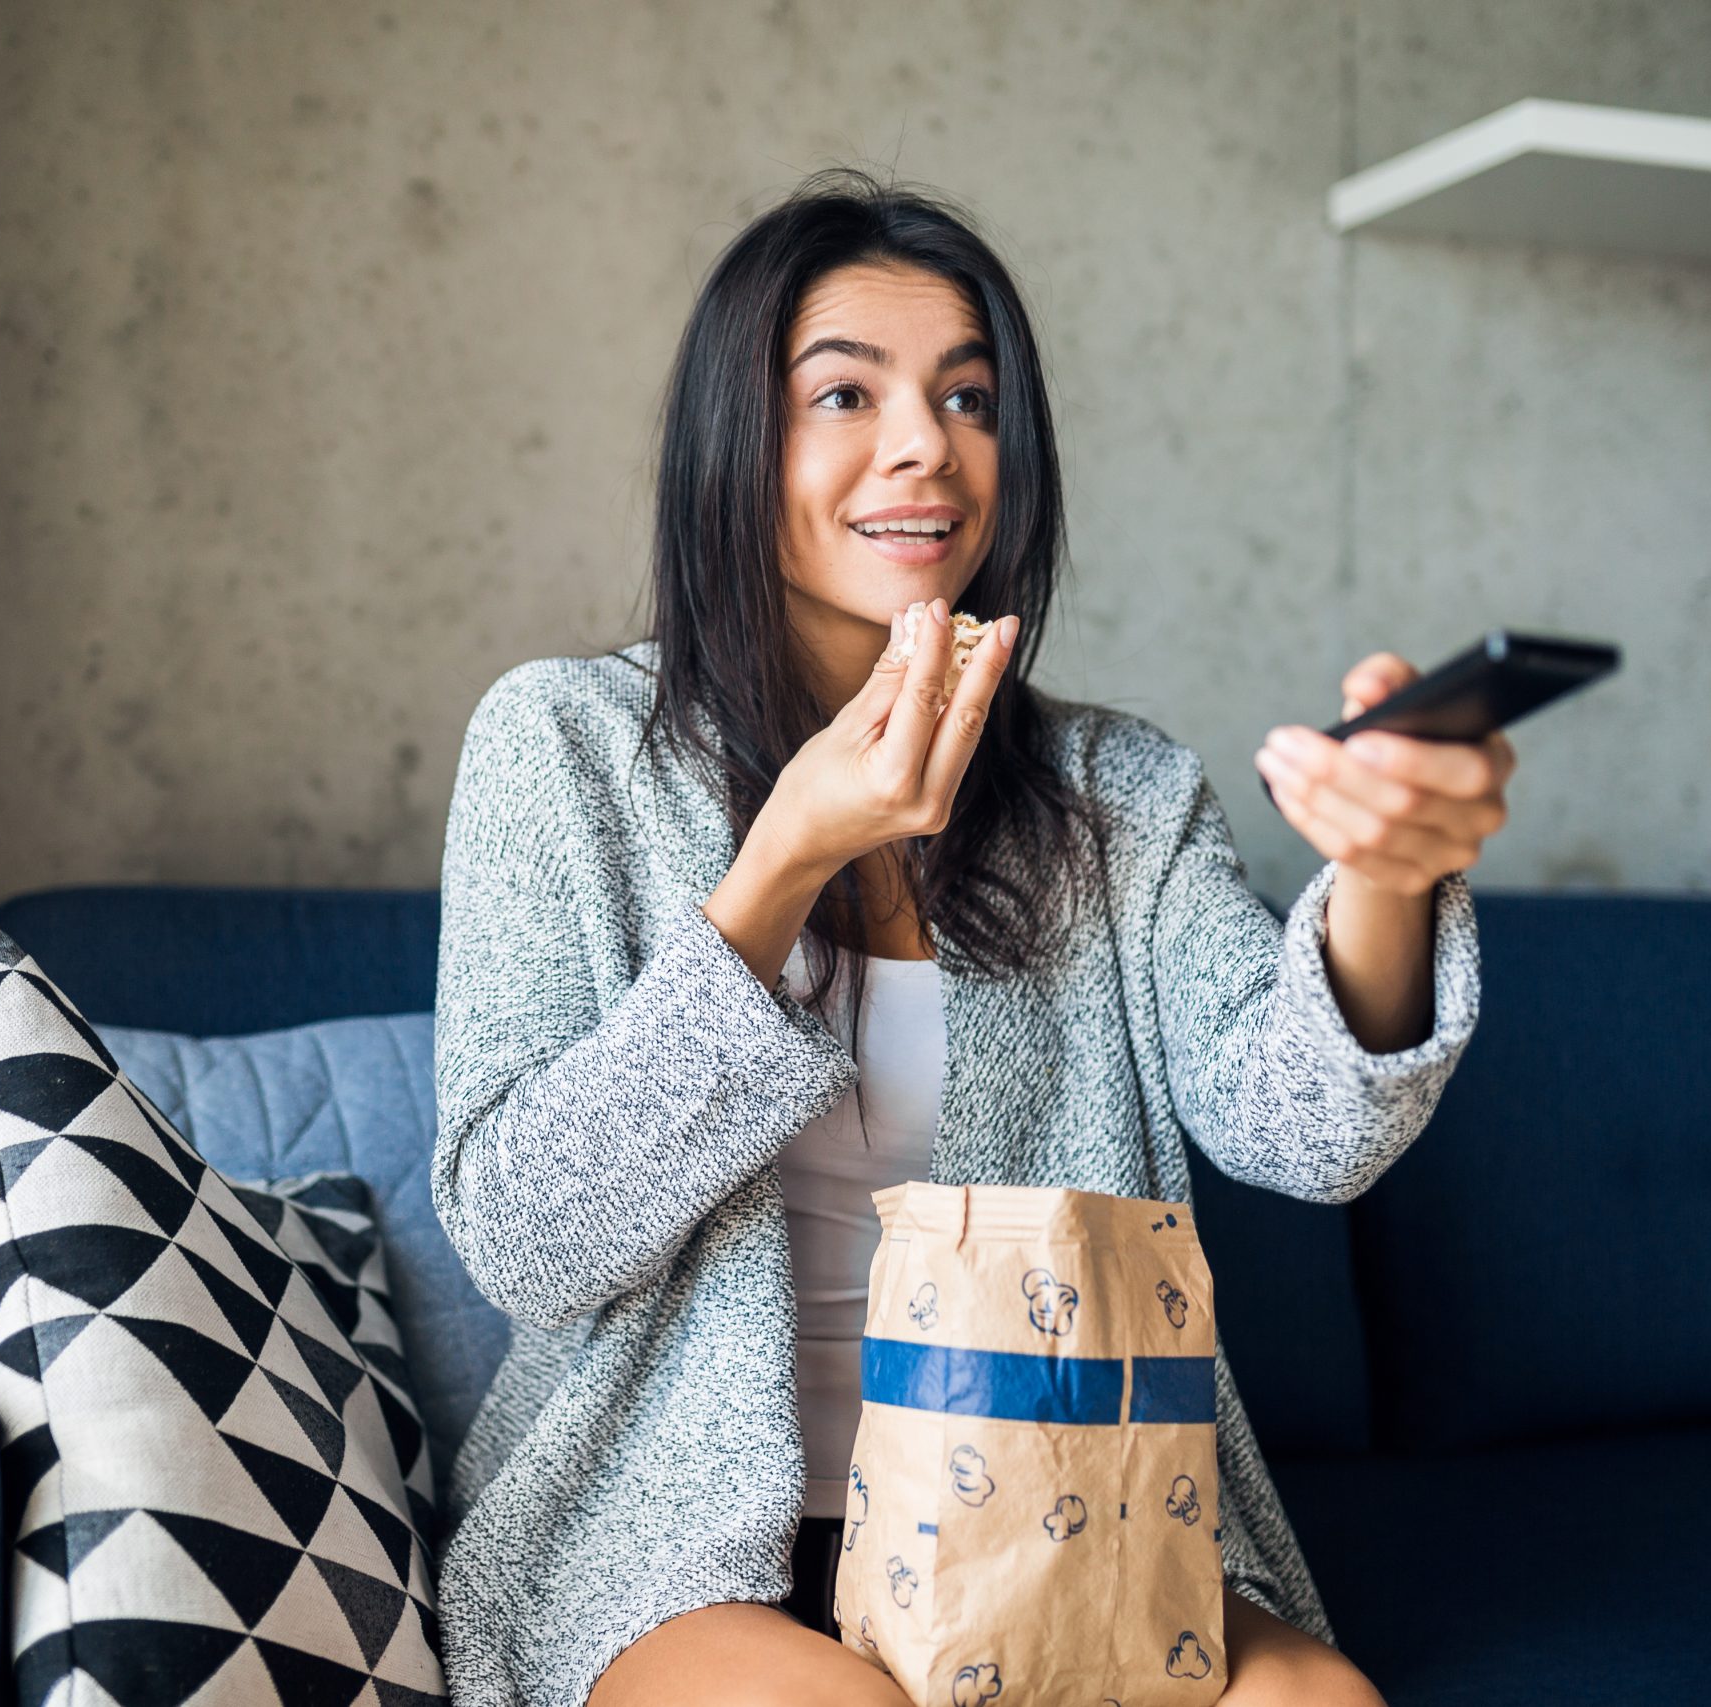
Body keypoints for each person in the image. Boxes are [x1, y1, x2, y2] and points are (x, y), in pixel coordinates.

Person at [429, 168, 1513, 1707]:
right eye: (846, 393)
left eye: (969, 397)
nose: (925, 445)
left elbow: (1303, 1126)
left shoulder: (1111, 790)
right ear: (737, 447)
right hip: (670, 1543)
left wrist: (1386, 872)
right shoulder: (565, 747)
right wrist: (788, 857)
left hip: (1063, 1512)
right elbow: (528, 1240)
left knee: (1325, 1702)